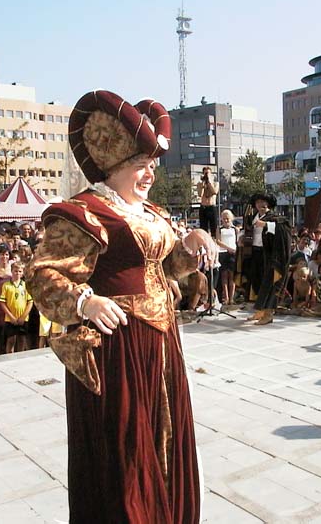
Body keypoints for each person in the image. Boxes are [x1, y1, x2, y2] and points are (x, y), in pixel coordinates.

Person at [24, 90, 214, 523]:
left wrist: (189, 245)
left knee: (164, 440)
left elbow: (162, 267)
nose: (148, 174)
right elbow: (42, 276)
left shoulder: (152, 213)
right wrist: (84, 301)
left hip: (162, 344)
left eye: (151, 166)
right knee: (125, 451)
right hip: (117, 349)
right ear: (114, 164)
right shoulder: (85, 212)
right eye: (138, 165)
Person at [244, 193, 291, 325]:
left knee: (269, 284)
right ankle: (260, 310)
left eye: (263, 202)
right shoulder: (253, 217)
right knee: (257, 282)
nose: (260, 205)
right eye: (258, 202)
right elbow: (247, 231)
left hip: (270, 256)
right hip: (255, 253)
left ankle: (268, 313)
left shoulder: (275, 218)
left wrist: (266, 225)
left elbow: (284, 229)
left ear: (268, 204)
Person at [0, 262, 33, 354]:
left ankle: (20, 359)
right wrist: (11, 316)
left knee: (22, 339)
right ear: (11, 271)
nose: (17, 273)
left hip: (23, 318)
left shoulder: (25, 285)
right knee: (11, 340)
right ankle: (9, 358)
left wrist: (23, 316)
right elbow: (2, 302)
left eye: (19, 271)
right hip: (10, 318)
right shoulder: (6, 285)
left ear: (22, 273)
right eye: (15, 271)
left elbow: (30, 302)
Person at [216, 209, 238, 305]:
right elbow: (218, 241)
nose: (225, 220)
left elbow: (237, 241)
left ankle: (232, 297)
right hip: (223, 252)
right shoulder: (219, 229)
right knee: (224, 276)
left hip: (233, 253)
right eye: (224, 219)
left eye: (227, 219)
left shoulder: (235, 229)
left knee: (232, 277)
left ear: (231, 219)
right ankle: (226, 297)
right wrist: (228, 248)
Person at [196, 166, 219, 237]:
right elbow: (200, 194)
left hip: (212, 207)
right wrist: (203, 185)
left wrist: (209, 182)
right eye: (205, 173)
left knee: (214, 227)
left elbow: (214, 192)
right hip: (204, 207)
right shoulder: (200, 184)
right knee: (203, 228)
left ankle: (214, 241)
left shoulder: (215, 183)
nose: (206, 175)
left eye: (208, 173)